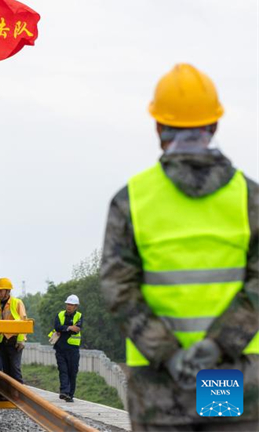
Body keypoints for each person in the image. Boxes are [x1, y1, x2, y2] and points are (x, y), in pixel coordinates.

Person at [101, 64, 258, 431]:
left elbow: (118, 289)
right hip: (230, 372)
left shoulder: (131, 201)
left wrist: (168, 355)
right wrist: (219, 346)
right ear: (214, 125)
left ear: (158, 128)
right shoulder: (250, 199)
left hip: (159, 382)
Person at [0, 277, 27, 383]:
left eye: (1, 291)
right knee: (4, 372)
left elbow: (23, 322)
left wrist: (21, 340)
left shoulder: (17, 303)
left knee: (15, 369)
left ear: (8, 291)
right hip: (2, 342)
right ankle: (6, 395)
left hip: (14, 341)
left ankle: (19, 395)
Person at [48, 295, 82, 402]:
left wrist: (65, 329)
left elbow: (76, 329)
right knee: (63, 370)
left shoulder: (79, 316)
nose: (69, 306)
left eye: (71, 305)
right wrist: (69, 327)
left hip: (73, 349)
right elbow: (57, 327)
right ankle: (64, 392)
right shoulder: (60, 314)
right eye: (68, 304)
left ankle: (70, 395)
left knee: (72, 372)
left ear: (76, 306)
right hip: (60, 348)